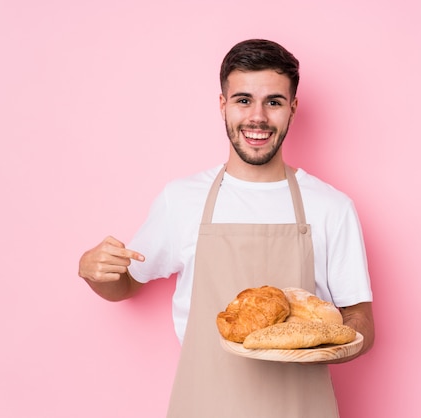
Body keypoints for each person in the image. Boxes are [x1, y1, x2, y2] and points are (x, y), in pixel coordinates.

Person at [78, 39, 374, 418]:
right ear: (223, 105)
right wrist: (93, 270)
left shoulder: (331, 207)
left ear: (292, 109)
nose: (258, 118)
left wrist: (330, 342)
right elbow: (124, 285)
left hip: (301, 406)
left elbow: (360, 318)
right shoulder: (181, 199)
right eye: (243, 100)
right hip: (205, 404)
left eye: (274, 102)